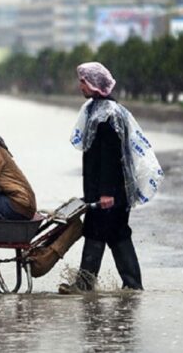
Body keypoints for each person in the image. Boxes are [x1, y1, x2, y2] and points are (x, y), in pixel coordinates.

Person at [61, 62, 163, 292]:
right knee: (105, 233)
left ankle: (111, 285)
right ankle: (122, 287)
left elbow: (111, 157)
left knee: (110, 234)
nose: (80, 86)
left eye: (83, 81)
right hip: (103, 191)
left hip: (110, 193)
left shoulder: (108, 115)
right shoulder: (96, 110)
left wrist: (106, 192)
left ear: (95, 84)